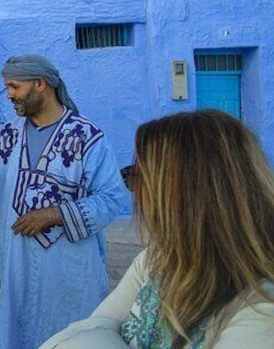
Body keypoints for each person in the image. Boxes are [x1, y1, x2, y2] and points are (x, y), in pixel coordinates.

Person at [41, 110, 274, 348]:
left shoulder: (261, 311)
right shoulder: (158, 261)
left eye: (139, 177)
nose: (136, 193)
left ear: (189, 195)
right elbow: (100, 323)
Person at [0, 54, 128, 349]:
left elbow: (112, 198)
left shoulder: (86, 137)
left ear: (40, 84)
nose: (9, 95)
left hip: (69, 271)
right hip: (18, 269)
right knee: (20, 334)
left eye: (14, 86)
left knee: (72, 338)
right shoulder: (8, 135)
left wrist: (55, 214)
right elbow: (1, 195)